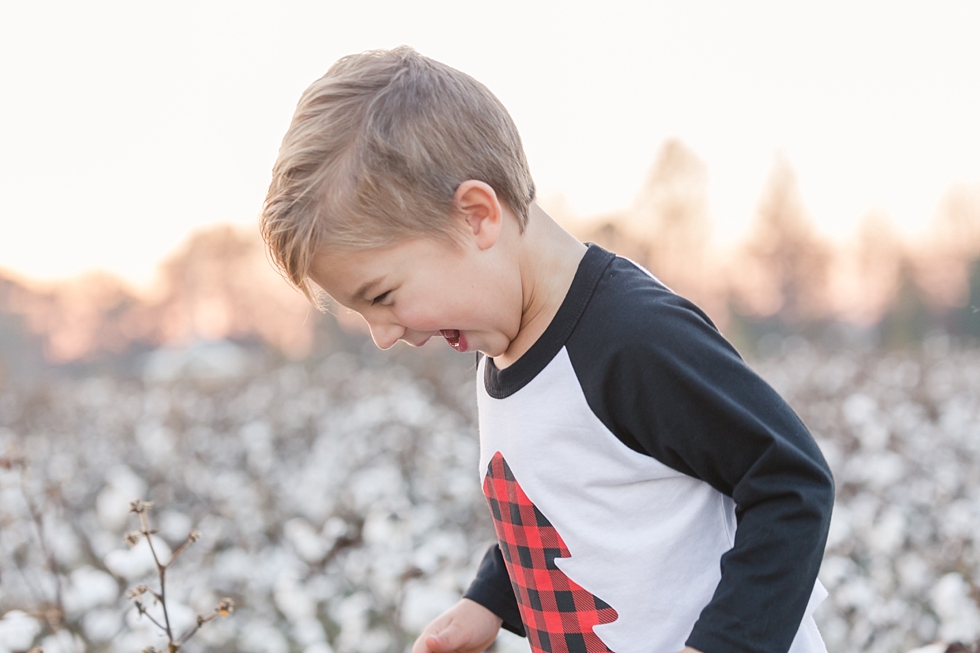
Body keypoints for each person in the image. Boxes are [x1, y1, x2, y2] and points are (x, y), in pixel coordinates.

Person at [259, 46, 834, 653]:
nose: (383, 335)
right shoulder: (501, 345)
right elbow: (566, 506)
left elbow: (789, 481)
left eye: (383, 295)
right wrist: (487, 602)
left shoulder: (631, 337)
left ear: (477, 217)